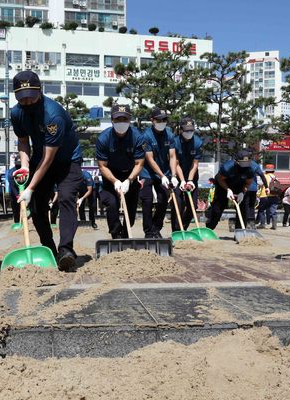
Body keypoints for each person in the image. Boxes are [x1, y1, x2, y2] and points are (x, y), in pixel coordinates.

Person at [10, 71, 83, 271]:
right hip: (39, 158)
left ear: (39, 91)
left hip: (67, 161)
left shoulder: (53, 115)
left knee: (67, 197)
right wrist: (25, 166)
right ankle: (49, 248)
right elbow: (24, 142)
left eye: (31, 96)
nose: (27, 100)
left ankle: (66, 249)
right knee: (37, 205)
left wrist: (30, 187)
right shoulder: (16, 113)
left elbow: (48, 158)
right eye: (22, 97)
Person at [95, 104, 145, 239]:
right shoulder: (103, 139)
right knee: (111, 203)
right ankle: (116, 235)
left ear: (129, 120)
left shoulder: (137, 137)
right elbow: (102, 166)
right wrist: (115, 181)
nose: (121, 122)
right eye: (118, 119)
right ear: (112, 120)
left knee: (131, 210)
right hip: (110, 175)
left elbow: (139, 163)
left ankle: (126, 233)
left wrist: (129, 180)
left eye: (124, 119)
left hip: (131, 174)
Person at [140, 107, 178, 238]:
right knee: (147, 200)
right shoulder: (146, 136)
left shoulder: (169, 134)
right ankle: (148, 231)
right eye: (159, 120)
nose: (162, 122)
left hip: (165, 172)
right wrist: (161, 176)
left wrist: (173, 176)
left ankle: (156, 228)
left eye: (164, 119)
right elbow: (149, 159)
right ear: (152, 120)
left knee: (163, 199)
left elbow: (172, 156)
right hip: (147, 173)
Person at [205, 150, 260, 230]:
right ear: (236, 161)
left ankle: (239, 231)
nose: (245, 165)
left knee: (243, 209)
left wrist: (242, 192)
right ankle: (210, 227)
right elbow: (220, 179)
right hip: (223, 185)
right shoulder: (227, 167)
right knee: (218, 208)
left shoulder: (251, 169)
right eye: (242, 163)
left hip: (240, 186)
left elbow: (248, 183)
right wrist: (228, 190)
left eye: (247, 162)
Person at [172, 117, 202, 229]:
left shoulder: (198, 142)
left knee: (193, 206)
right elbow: (176, 163)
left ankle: (183, 227)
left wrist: (189, 180)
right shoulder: (174, 141)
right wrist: (182, 180)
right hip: (177, 176)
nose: (189, 133)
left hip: (192, 176)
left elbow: (195, 164)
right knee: (178, 205)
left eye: (191, 130)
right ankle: (175, 231)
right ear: (181, 130)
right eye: (186, 130)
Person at [257, 163, 280, 230]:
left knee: (261, 210)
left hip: (265, 195)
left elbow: (260, 184)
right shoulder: (275, 177)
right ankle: (274, 225)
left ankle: (262, 224)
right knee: (273, 211)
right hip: (275, 195)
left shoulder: (265, 176)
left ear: (266, 170)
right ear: (273, 171)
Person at [6, 159, 21, 224]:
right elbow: (12, 186)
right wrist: (17, 195)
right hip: (13, 192)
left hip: (22, 190)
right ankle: (17, 222)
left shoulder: (24, 169)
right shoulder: (11, 172)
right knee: (15, 208)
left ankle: (23, 220)